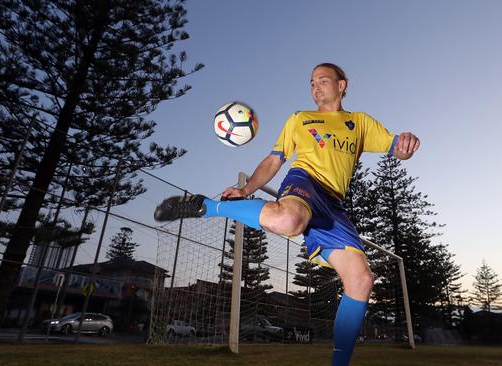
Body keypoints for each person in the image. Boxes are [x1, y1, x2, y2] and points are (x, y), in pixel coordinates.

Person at [155, 63, 420, 365]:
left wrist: (406, 146)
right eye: (311, 83)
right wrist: (246, 188)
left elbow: (395, 147)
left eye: (323, 80)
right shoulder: (300, 119)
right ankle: (209, 207)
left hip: (333, 206)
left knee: (361, 281)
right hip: (304, 182)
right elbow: (273, 160)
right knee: (288, 221)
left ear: (342, 85)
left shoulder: (359, 123)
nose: (315, 87)